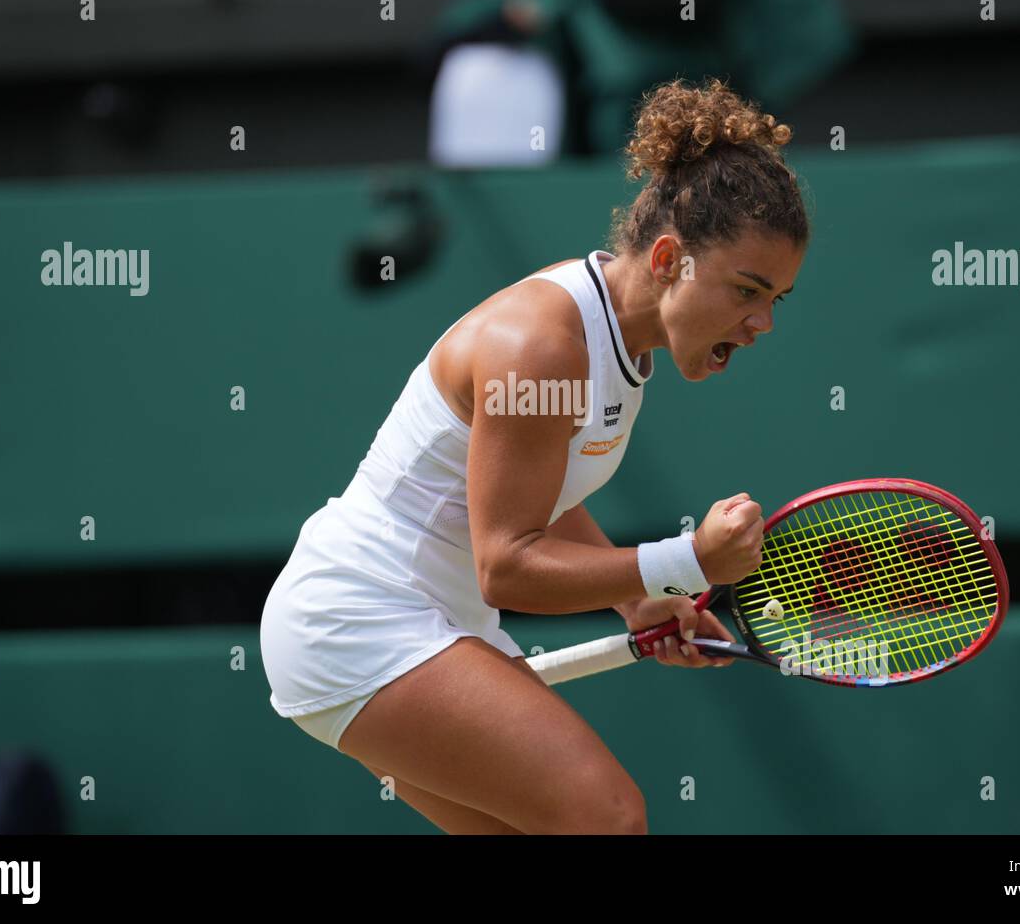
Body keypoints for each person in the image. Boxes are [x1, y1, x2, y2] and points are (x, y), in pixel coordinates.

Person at [261, 78, 809, 834]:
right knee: (608, 818)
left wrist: (638, 600)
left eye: (777, 297)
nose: (763, 322)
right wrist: (686, 562)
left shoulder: (617, 342)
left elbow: (534, 493)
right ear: (668, 258)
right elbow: (508, 563)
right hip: (359, 616)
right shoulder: (544, 344)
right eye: (748, 289)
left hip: (434, 622)